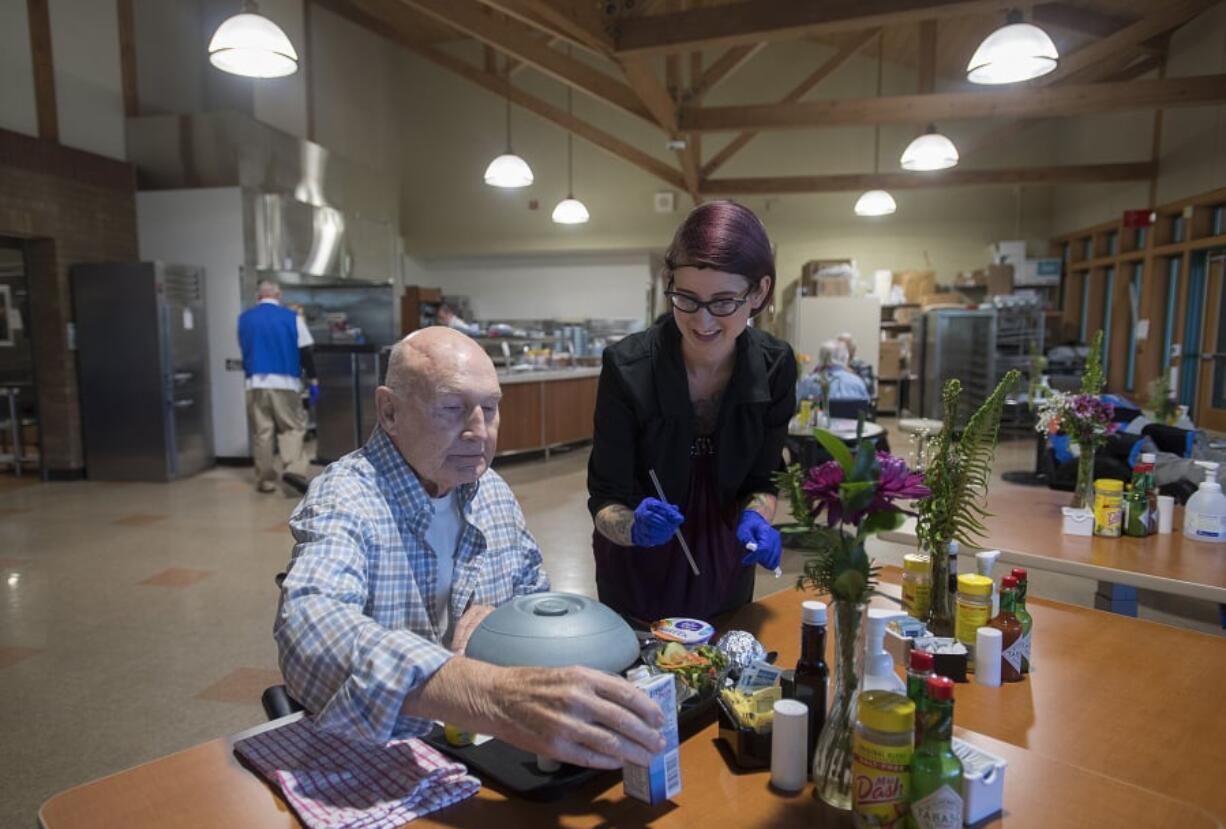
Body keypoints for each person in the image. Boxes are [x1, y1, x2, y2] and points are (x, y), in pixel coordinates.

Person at [275, 327, 665, 768]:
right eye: (451, 408)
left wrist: (503, 625)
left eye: (491, 408)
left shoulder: (491, 491)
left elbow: (534, 599)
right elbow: (307, 630)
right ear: (389, 411)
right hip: (384, 755)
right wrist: (479, 691)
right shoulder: (346, 499)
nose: (479, 431)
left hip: (490, 756)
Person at [587, 201, 797, 625]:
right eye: (686, 298)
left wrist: (757, 517)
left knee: (724, 665)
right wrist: (632, 527)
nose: (702, 322)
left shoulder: (775, 367)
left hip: (724, 562)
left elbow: (763, 478)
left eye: (723, 302)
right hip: (638, 569)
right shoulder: (628, 367)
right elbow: (606, 497)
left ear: (757, 292)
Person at [238, 280, 318, 493]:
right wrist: (313, 380)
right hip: (286, 382)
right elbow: (306, 352)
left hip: (254, 383)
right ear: (278, 295)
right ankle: (293, 474)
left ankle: (265, 480)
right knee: (291, 428)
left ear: (258, 297)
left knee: (262, 432)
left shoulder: (244, 319)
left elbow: (246, 349)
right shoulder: (292, 318)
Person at [797, 340, 870, 403]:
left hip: (819, 419)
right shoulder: (857, 382)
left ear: (821, 357)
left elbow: (795, 406)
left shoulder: (809, 382)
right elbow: (866, 406)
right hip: (851, 419)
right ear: (845, 358)